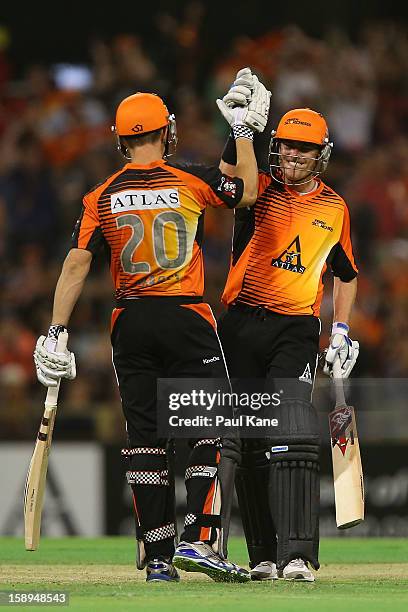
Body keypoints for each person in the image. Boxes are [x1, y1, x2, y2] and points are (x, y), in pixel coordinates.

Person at [33, 85, 270, 583]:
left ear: (121, 142)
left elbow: (77, 265)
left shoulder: (101, 196)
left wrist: (55, 331)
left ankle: (158, 558)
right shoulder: (189, 178)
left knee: (146, 441)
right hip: (185, 314)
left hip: (131, 322)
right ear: (167, 131)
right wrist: (244, 133)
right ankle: (200, 541)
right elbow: (247, 190)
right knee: (209, 427)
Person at [217, 69, 359, 582]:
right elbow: (231, 172)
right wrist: (241, 128)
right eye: (284, 148)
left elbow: (345, 274)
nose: (292, 157)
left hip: (295, 329)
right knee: (249, 439)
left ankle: (299, 554)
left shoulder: (335, 208)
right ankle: (262, 556)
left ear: (320, 155)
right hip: (240, 324)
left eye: (302, 150)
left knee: (293, 431)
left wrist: (341, 328)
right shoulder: (257, 189)